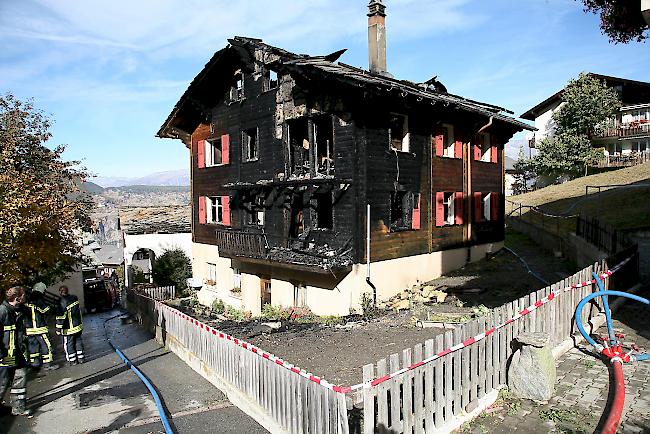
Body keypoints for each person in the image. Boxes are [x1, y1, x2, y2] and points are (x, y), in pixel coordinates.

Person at [0, 286, 32, 416]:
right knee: (3, 383)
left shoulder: (19, 310)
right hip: (6, 355)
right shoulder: (3, 311)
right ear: (17, 298)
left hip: (16, 353)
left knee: (20, 376)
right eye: (24, 295)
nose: (26, 297)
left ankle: (18, 408)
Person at [24, 283, 58, 371]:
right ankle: (47, 365)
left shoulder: (27, 301)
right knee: (46, 346)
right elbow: (47, 310)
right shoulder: (39, 300)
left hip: (29, 330)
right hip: (40, 329)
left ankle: (35, 364)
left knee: (33, 347)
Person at [55, 286, 85, 365]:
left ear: (60, 292)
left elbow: (61, 317)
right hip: (78, 326)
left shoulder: (62, 302)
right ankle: (81, 358)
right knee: (78, 341)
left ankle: (73, 360)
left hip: (69, 329)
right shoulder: (74, 298)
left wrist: (58, 329)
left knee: (70, 344)